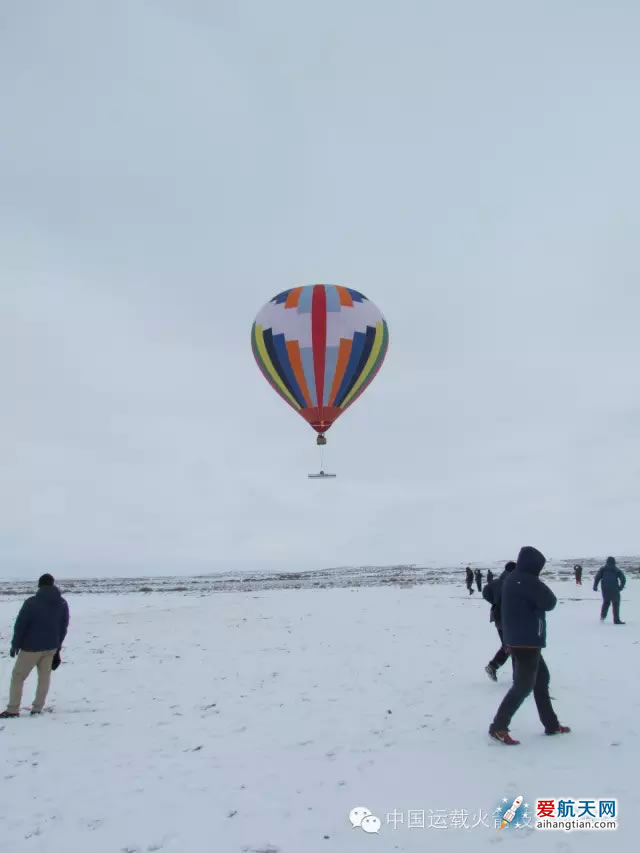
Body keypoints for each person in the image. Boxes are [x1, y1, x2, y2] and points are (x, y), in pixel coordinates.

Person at [488, 546, 570, 745]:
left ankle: (551, 724)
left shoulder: (511, 578)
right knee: (523, 686)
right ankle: (498, 727)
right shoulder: (528, 581)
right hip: (527, 642)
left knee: (541, 680)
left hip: (517, 639)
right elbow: (550, 602)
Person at [0, 574, 69, 719]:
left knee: (18, 676)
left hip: (31, 648)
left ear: (39, 585)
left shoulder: (31, 602)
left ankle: (13, 709)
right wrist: (58, 647)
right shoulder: (62, 603)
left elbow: (21, 625)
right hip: (51, 647)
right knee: (44, 678)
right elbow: (63, 627)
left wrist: (15, 644)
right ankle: (37, 708)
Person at [482, 561, 516, 681]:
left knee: (508, 645)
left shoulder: (497, 582)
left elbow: (485, 592)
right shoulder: (513, 582)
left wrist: (494, 602)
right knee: (514, 646)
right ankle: (517, 676)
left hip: (498, 618)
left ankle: (494, 666)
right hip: (509, 619)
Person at [593, 557, 626, 624]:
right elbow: (623, 579)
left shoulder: (603, 569)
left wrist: (595, 586)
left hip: (605, 589)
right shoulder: (616, 569)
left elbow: (597, 577)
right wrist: (621, 587)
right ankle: (616, 620)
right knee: (615, 603)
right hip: (615, 589)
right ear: (614, 562)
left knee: (606, 602)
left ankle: (602, 617)